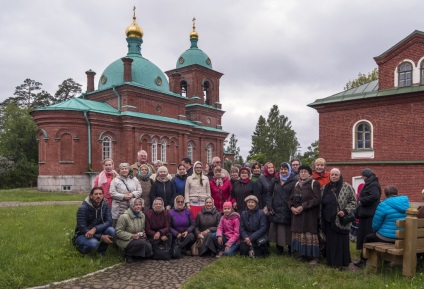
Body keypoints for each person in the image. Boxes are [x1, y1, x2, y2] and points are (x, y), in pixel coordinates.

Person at [320, 168, 357, 269]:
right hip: (327, 219)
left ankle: (341, 263)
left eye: (336, 174)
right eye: (332, 174)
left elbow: (354, 202)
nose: (334, 176)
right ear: (329, 176)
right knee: (330, 242)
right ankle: (330, 262)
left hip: (340, 220)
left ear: (340, 176)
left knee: (340, 242)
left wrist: (345, 211)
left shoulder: (347, 187)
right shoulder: (324, 188)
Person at [289, 165, 321, 265]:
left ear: (309, 173)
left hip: (309, 215)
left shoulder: (314, 183)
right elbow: (290, 198)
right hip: (297, 215)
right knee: (301, 235)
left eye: (305, 172)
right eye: (301, 171)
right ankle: (304, 255)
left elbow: (317, 199)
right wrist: (291, 207)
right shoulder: (296, 184)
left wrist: (303, 206)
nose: (303, 173)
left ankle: (314, 257)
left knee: (310, 235)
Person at [73, 187, 115, 255]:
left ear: (103, 195)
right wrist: (101, 237)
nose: (98, 196)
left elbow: (109, 221)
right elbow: (82, 229)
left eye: (100, 194)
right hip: (82, 235)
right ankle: (81, 251)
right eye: (96, 194)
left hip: (96, 231)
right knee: (93, 243)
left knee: (111, 230)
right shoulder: (83, 208)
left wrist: (95, 229)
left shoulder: (105, 205)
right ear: (91, 196)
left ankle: (100, 252)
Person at [267, 162, 297, 255]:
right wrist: (269, 206)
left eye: (285, 169)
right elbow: (269, 193)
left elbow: (295, 195)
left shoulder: (294, 180)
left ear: (289, 170)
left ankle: (290, 249)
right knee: (278, 229)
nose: (283, 171)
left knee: (288, 230)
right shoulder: (275, 180)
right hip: (276, 208)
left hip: (288, 208)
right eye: (282, 169)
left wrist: (292, 205)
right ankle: (279, 248)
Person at [354, 168, 381, 268]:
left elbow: (375, 196)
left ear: (366, 176)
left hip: (369, 215)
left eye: (363, 176)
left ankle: (364, 260)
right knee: (363, 237)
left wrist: (362, 200)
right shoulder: (371, 183)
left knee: (366, 237)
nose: (362, 178)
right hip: (365, 214)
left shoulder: (373, 184)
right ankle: (363, 259)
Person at [115, 198, 153, 263]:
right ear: (132, 205)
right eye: (136, 205)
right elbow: (118, 232)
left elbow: (142, 228)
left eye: (140, 204)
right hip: (125, 240)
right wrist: (132, 236)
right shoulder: (124, 217)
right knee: (142, 243)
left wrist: (143, 233)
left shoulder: (142, 215)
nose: (138, 206)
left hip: (138, 239)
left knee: (149, 250)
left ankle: (136, 255)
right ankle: (128, 255)